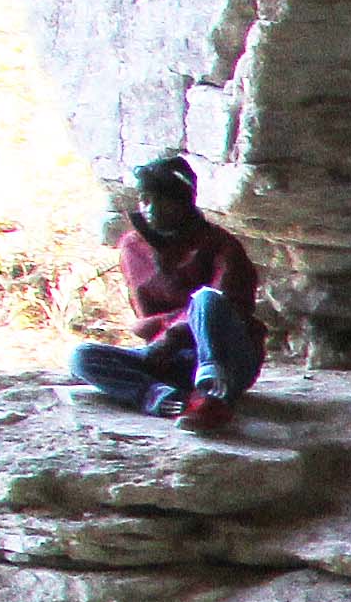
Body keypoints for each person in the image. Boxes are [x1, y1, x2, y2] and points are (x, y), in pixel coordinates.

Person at [67, 154, 262, 435]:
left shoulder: (220, 244)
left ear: (184, 203)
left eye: (164, 201)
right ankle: (165, 398)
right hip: (172, 359)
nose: (151, 209)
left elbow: (233, 306)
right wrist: (161, 341)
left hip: (226, 358)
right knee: (81, 357)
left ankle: (212, 395)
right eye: (145, 200)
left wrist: (174, 334)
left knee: (206, 299)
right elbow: (147, 320)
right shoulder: (133, 247)